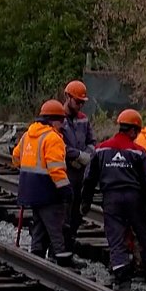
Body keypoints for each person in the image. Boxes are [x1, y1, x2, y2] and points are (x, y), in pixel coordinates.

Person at [80, 109, 146, 290]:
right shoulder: (138, 152)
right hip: (135, 199)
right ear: (132, 130)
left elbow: (89, 178)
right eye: (137, 132)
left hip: (112, 199)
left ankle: (123, 280)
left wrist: (85, 201)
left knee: (116, 237)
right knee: (145, 234)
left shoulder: (101, 149)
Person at [11, 100, 74, 266]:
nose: (63, 125)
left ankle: (36, 257)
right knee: (57, 228)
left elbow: (16, 158)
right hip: (48, 192)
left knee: (39, 226)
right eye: (62, 121)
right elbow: (56, 169)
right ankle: (63, 260)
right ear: (54, 120)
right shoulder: (53, 138)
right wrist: (66, 190)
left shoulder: (28, 135)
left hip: (29, 191)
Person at [60, 80, 96, 252]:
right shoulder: (57, 118)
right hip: (64, 172)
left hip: (80, 174)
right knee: (64, 213)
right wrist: (75, 155)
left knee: (76, 214)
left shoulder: (83, 119)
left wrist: (86, 155)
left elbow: (92, 142)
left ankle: (69, 248)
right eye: (77, 101)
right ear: (68, 97)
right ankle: (59, 250)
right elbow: (56, 143)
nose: (80, 105)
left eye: (82, 102)